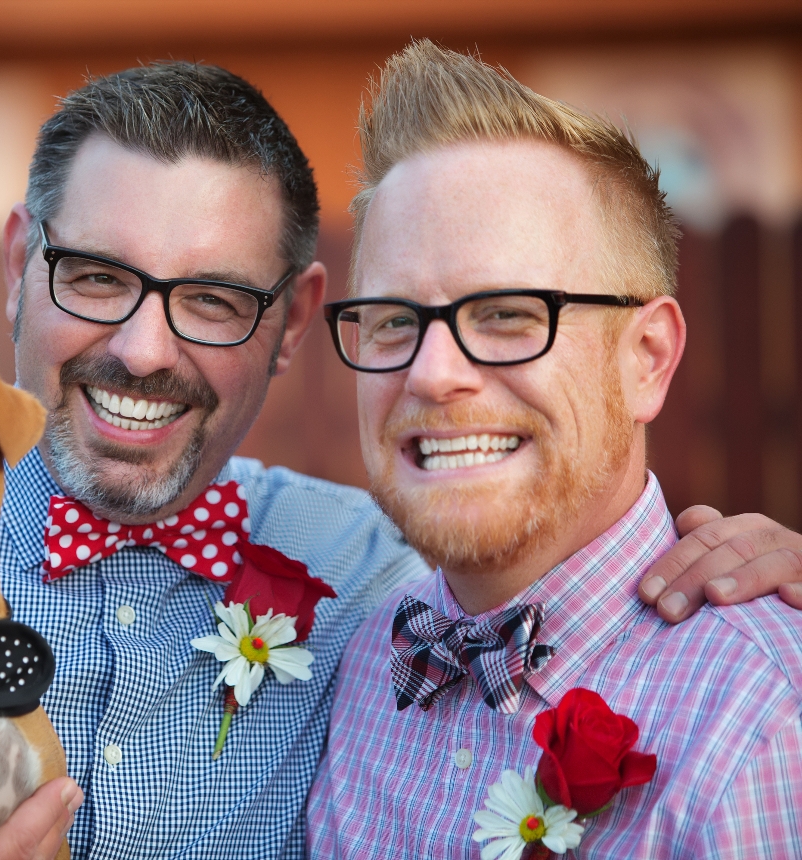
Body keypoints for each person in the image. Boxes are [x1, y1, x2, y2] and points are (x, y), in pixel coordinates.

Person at [0, 62, 798, 860]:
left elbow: (550, 548)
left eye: (212, 299)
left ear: (295, 323)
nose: (141, 347)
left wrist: (760, 563)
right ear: (22, 262)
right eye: (96, 276)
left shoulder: (376, 573)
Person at [306, 42, 802, 858]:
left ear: (646, 359)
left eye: (506, 313)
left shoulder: (760, 721)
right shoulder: (358, 666)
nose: (431, 375)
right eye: (393, 320)